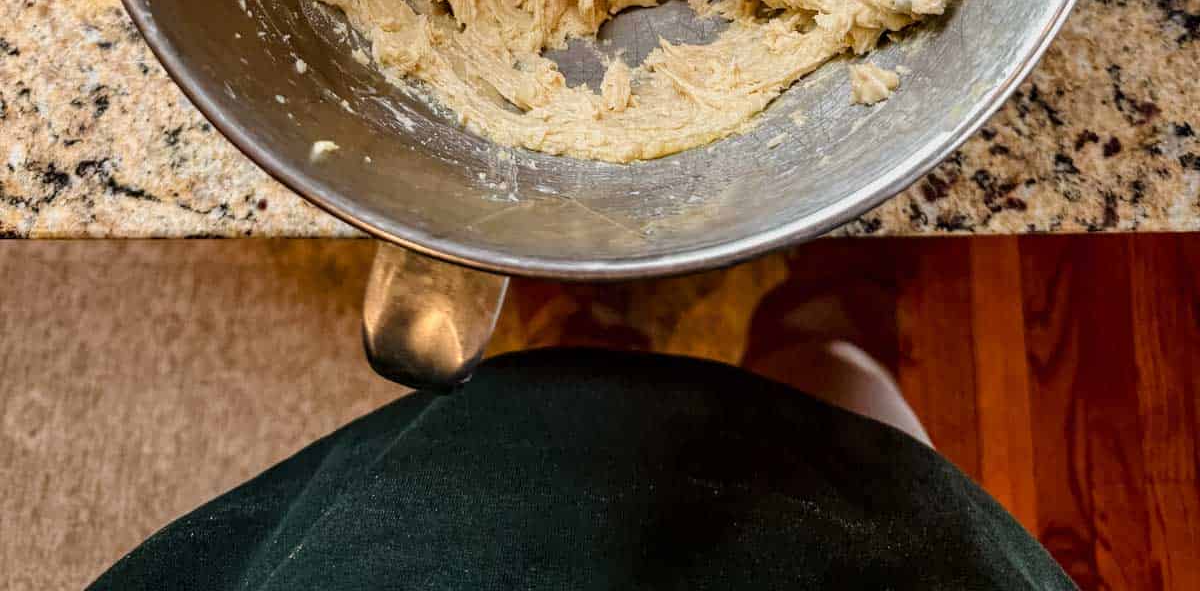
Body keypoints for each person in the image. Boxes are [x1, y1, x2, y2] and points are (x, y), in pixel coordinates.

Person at [91, 342, 1075, 588]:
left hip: (429, 535)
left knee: (532, 410)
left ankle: (587, 343)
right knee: (833, 387)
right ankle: (823, 323)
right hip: (857, 559)